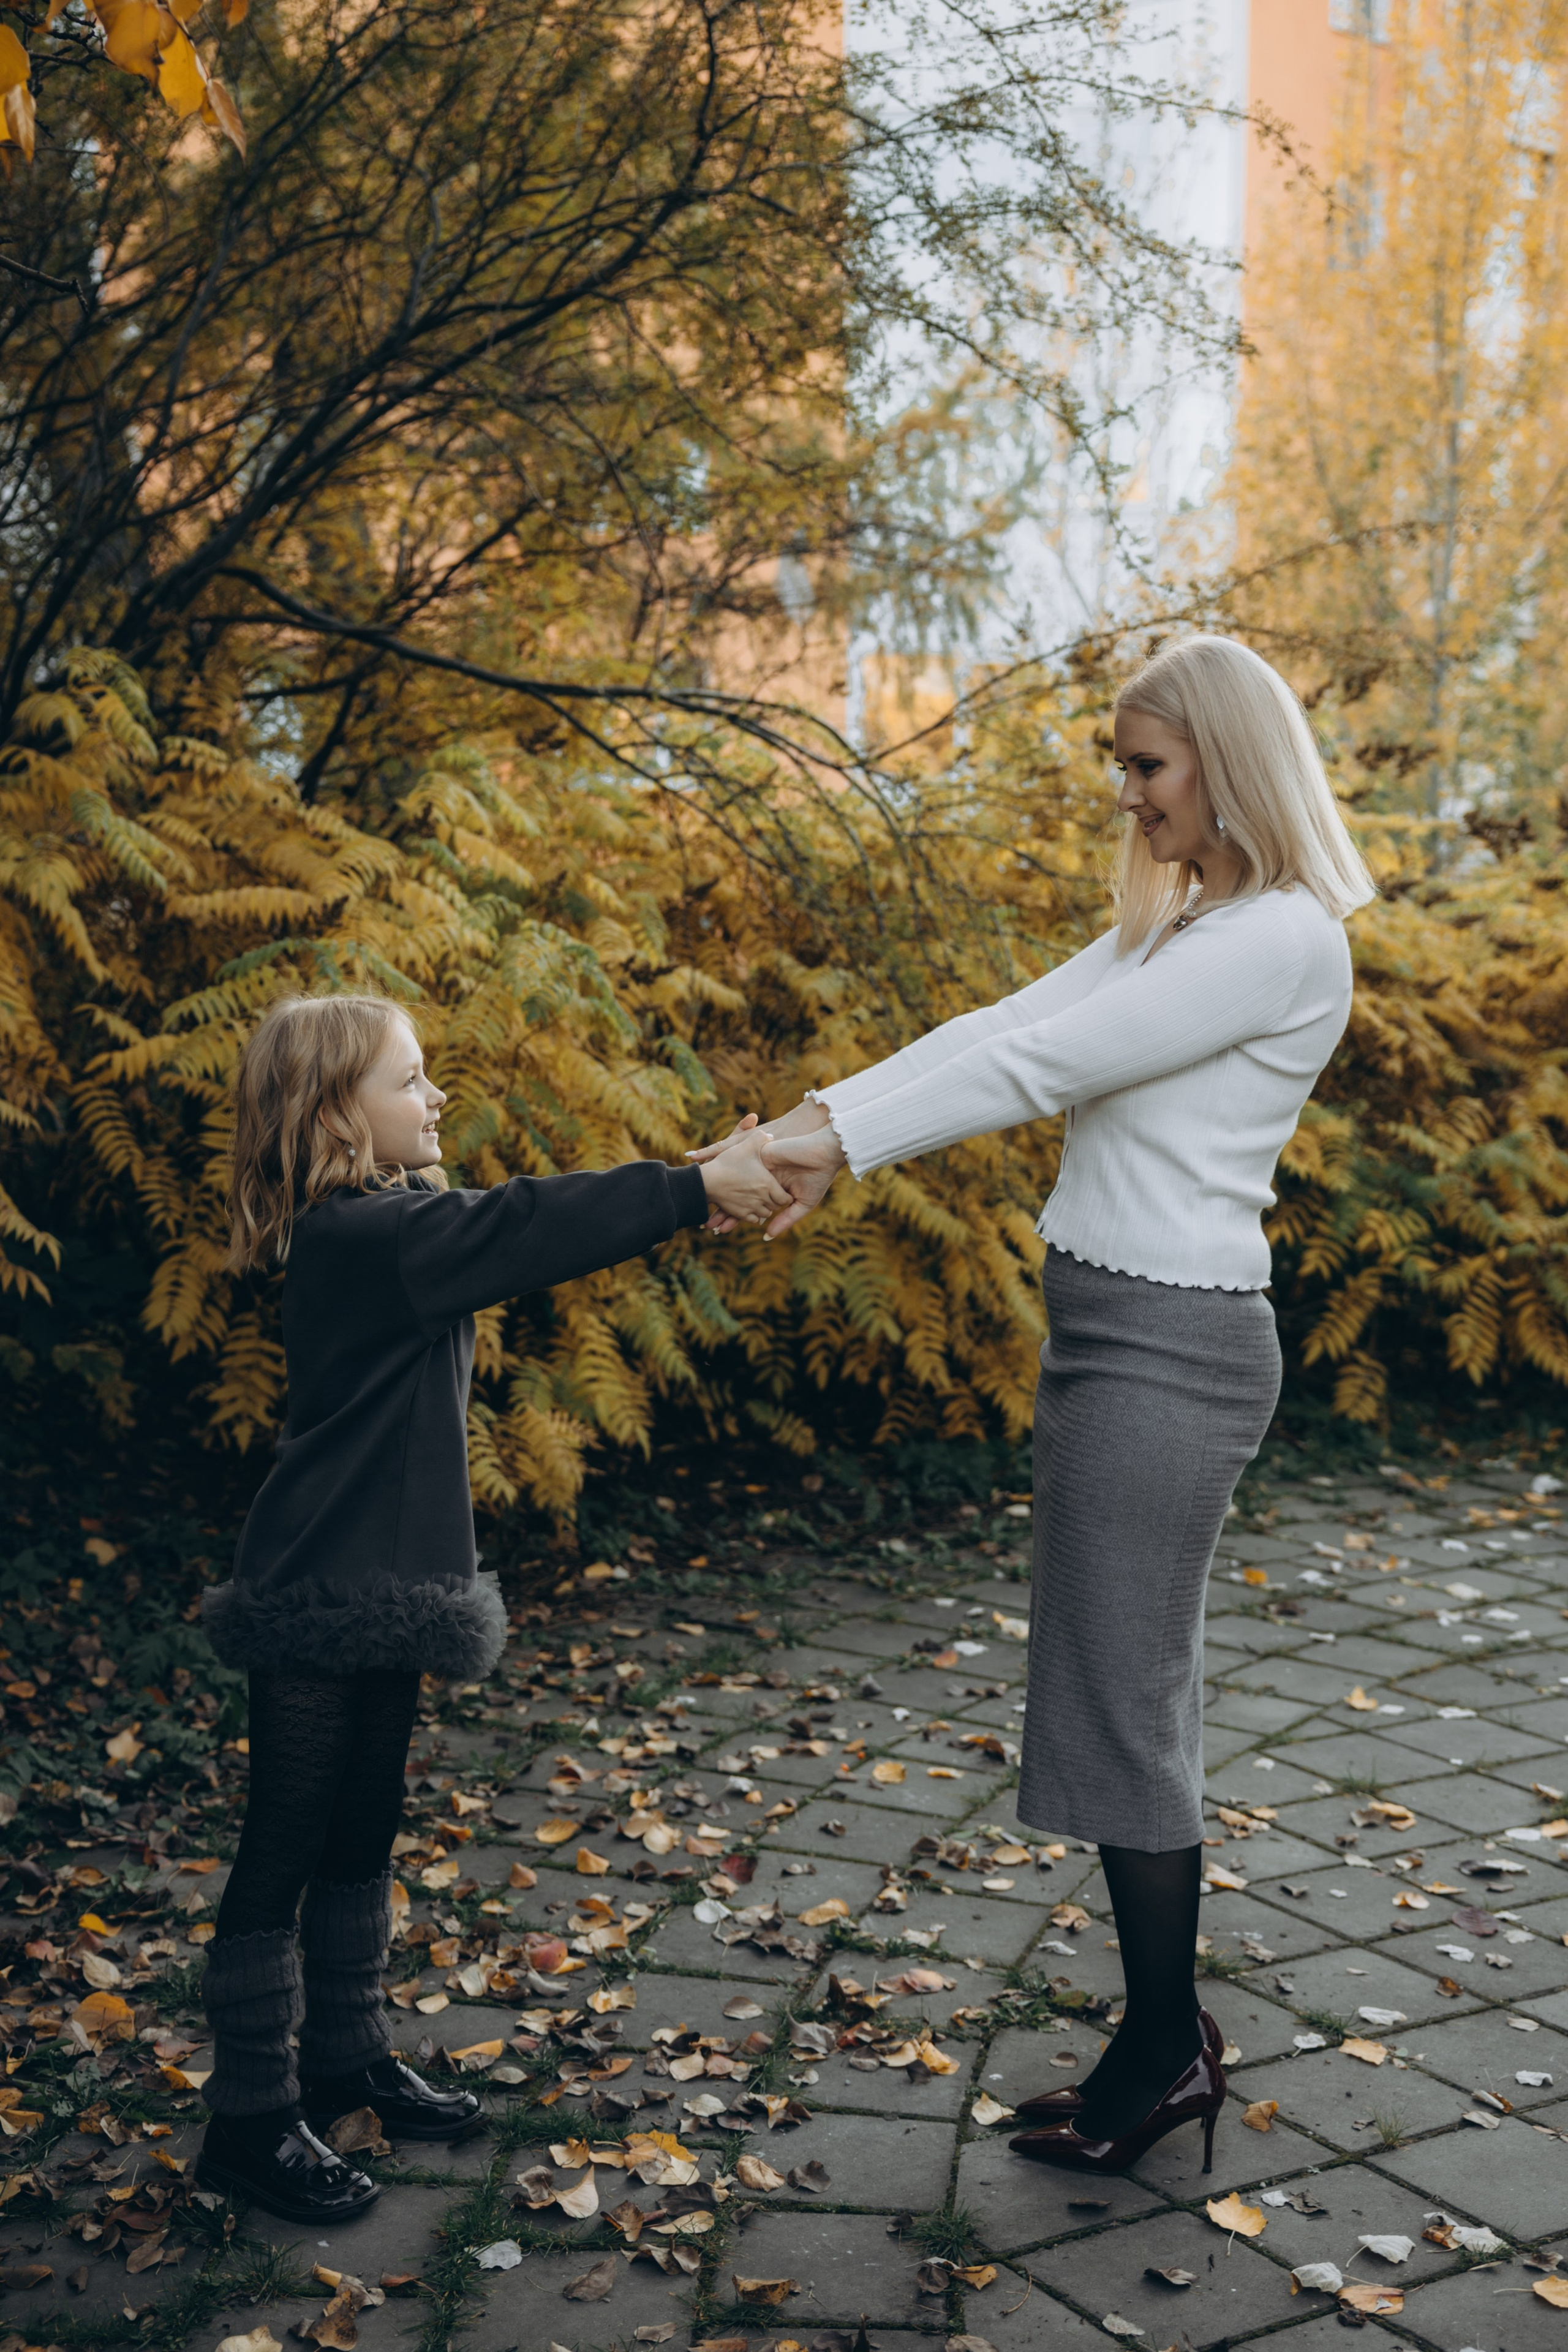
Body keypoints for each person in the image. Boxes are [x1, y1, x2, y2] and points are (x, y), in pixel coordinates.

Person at [693, 635, 1375, 2176]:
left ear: (1224, 762)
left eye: (1146, 767)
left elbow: (1043, 1064)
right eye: (1121, 769)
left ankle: (1159, 2051)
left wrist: (825, 1152)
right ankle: (1161, 2033)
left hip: (1170, 1351)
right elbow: (993, 1027)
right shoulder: (1193, 921)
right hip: (1114, 1336)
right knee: (1116, 1684)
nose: (1126, 797)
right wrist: (802, 1131)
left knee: (1118, 1697)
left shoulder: (1278, 940)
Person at [195, 993, 790, 2222]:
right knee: (285, 1848)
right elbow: (524, 1223)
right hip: (319, 1583)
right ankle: (250, 2122)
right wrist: (688, 1190)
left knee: (363, 1824)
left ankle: (347, 2057)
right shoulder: (362, 1235)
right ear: (330, 1112)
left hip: (388, 1585)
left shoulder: (397, 1221)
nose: (436, 1099)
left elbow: (512, 1224)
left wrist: (696, 1173)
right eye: (410, 1081)